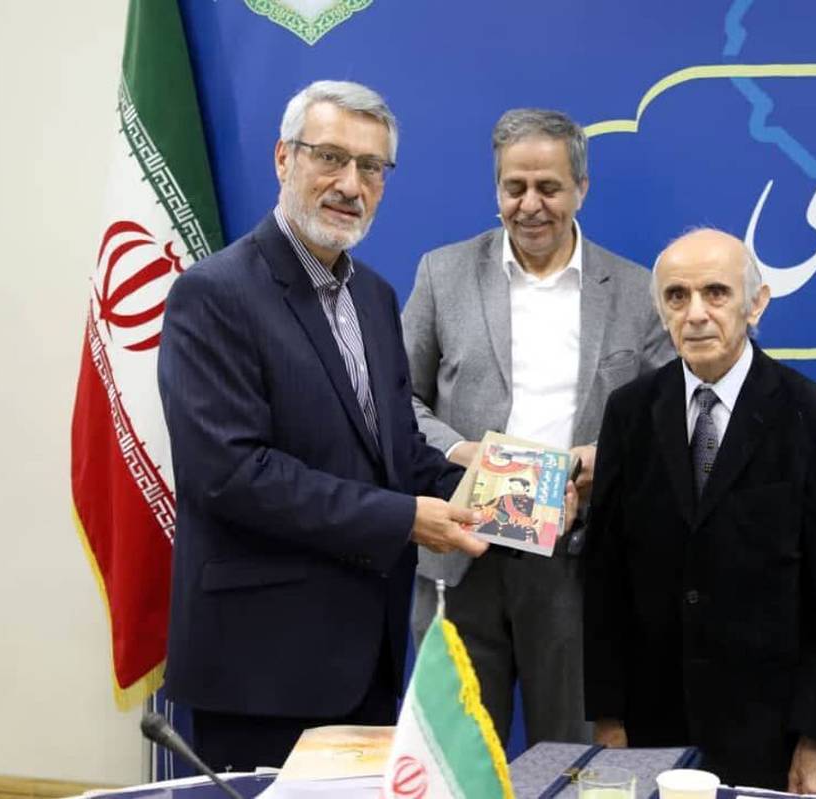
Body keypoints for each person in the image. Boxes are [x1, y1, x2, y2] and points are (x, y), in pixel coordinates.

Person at [157, 80, 487, 771]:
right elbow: (233, 474)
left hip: (365, 661)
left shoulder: (374, 297)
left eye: (371, 166)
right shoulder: (214, 294)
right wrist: (404, 518)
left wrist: (511, 493)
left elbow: (397, 450)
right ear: (284, 158)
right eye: (330, 157)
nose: (350, 184)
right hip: (258, 671)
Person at [401, 108, 673, 745]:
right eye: (513, 187)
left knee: (571, 758)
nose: (529, 205)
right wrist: (463, 451)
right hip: (459, 553)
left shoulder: (636, 291)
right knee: (458, 758)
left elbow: (667, 418)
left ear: (581, 188)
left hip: (574, 564)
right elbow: (396, 402)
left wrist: (597, 460)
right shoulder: (442, 274)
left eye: (548, 188)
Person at [583, 228, 816, 792]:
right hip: (651, 722)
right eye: (677, 296)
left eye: (716, 293)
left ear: (755, 304)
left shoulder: (814, 417)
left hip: (766, 728)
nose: (695, 314)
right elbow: (605, 576)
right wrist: (608, 718)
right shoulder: (630, 413)